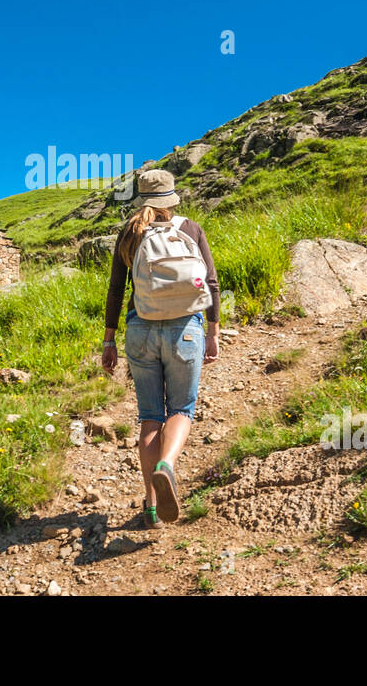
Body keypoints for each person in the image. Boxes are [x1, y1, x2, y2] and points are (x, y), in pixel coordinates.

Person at [101, 169, 220, 529]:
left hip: (140, 331)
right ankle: (167, 465)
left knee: (150, 416)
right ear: (172, 198)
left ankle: (151, 508)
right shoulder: (191, 229)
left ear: (141, 199)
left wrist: (108, 341)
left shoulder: (130, 233)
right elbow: (211, 283)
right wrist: (213, 332)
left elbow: (115, 290)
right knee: (181, 409)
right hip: (186, 329)